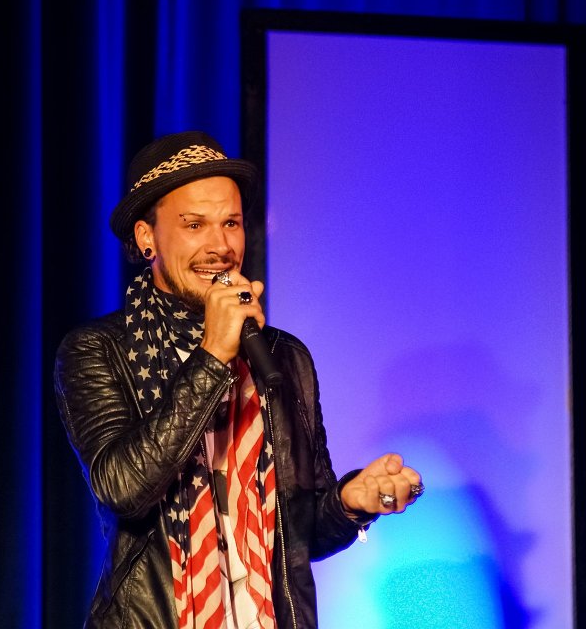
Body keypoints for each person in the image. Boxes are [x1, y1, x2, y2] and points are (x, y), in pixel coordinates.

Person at [53, 131, 423, 628]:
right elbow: (123, 487)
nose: (220, 246)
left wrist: (352, 502)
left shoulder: (284, 355)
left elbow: (300, 534)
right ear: (146, 237)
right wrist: (212, 355)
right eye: (194, 225)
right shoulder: (98, 349)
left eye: (231, 223)